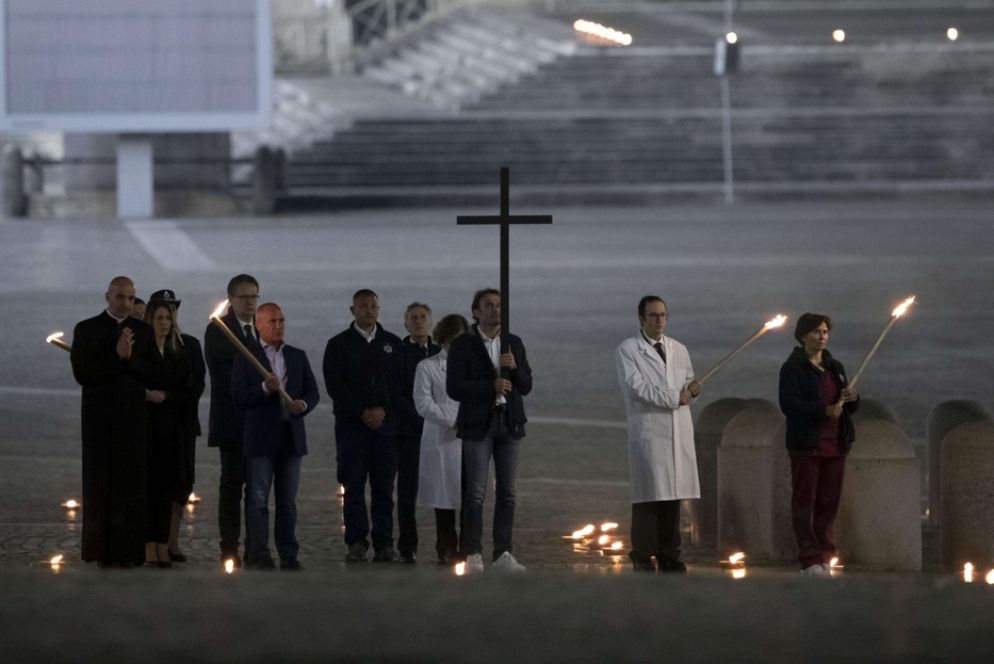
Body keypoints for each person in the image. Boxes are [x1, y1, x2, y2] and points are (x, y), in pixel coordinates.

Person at [70, 276, 157, 567]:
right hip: (98, 422)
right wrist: (117, 358)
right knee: (99, 485)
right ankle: (100, 550)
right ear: (107, 296)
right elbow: (83, 373)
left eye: (131, 298)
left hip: (133, 421)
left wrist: (129, 360)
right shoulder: (87, 329)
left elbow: (153, 373)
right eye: (120, 297)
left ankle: (130, 552)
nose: (126, 303)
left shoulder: (143, 332)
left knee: (131, 487)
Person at [446, 289, 532, 574]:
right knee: (476, 493)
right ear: (476, 311)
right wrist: (490, 386)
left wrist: (515, 368)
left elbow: (526, 385)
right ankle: (472, 553)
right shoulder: (463, 345)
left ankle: (503, 553)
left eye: (499, 306)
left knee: (507, 492)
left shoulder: (513, 343)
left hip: (509, 424)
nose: (495, 310)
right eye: (489, 306)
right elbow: (455, 387)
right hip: (477, 426)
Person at [615, 295, 702, 573]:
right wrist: (677, 396)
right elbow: (636, 389)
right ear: (641, 318)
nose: (659, 320)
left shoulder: (679, 349)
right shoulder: (628, 350)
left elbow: (687, 382)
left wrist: (693, 391)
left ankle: (669, 553)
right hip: (650, 429)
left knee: (673, 496)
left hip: (677, 430)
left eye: (663, 315)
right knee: (649, 496)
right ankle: (641, 554)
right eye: (653, 315)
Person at [233, 302, 319, 570]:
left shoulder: (297, 355)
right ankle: (259, 553)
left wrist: (302, 405)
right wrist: (263, 388)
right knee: (258, 500)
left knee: (287, 501)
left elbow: (312, 392)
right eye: (272, 321)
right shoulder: (247, 357)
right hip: (260, 439)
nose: (278, 325)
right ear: (258, 325)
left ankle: (288, 553)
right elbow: (238, 396)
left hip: (291, 437)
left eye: (281, 320)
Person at [323, 289, 403, 563]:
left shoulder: (393, 344)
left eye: (373, 306)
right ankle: (356, 541)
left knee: (383, 488)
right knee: (353, 485)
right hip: (351, 428)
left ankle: (384, 543)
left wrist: (384, 410)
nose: (369, 310)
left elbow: (401, 385)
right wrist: (361, 411)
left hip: (386, 428)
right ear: (352, 310)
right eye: (363, 306)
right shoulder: (338, 345)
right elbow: (335, 386)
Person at [778, 313, 859, 576]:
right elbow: (788, 404)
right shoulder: (792, 367)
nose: (822, 336)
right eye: (816, 332)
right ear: (803, 336)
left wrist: (852, 397)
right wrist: (823, 410)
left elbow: (849, 406)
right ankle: (810, 559)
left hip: (836, 444)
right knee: (805, 501)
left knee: (828, 501)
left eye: (825, 331)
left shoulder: (835, 367)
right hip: (807, 445)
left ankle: (826, 554)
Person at [204, 274, 260, 566]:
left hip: (260, 424)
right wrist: (257, 390)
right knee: (231, 486)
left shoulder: (263, 327)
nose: (250, 302)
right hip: (233, 422)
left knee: (258, 488)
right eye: (244, 297)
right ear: (231, 299)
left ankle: (255, 546)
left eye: (254, 296)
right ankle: (229, 547)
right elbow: (224, 377)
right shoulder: (218, 330)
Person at [146, 289, 206, 563]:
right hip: (157, 425)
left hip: (183, 424)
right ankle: (157, 541)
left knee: (182, 484)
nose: (168, 317)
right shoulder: (148, 346)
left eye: (171, 310)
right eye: (161, 312)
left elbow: (197, 385)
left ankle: (172, 540)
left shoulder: (190, 345)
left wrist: (170, 395)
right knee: (157, 483)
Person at [414, 314, 469, 565]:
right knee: (444, 497)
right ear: (443, 338)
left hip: (469, 437)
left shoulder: (472, 366)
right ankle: (446, 547)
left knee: (470, 496)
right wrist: (452, 419)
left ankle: (469, 548)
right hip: (440, 437)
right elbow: (423, 403)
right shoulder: (427, 367)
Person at [394, 302, 440, 563]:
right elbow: (397, 394)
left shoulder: (440, 352)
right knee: (407, 492)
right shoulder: (400, 354)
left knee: (442, 488)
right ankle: (407, 546)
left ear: (430, 321)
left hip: (438, 432)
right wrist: (422, 418)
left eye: (423, 317)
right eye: (413, 317)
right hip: (409, 433)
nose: (419, 321)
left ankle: (445, 544)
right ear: (406, 323)